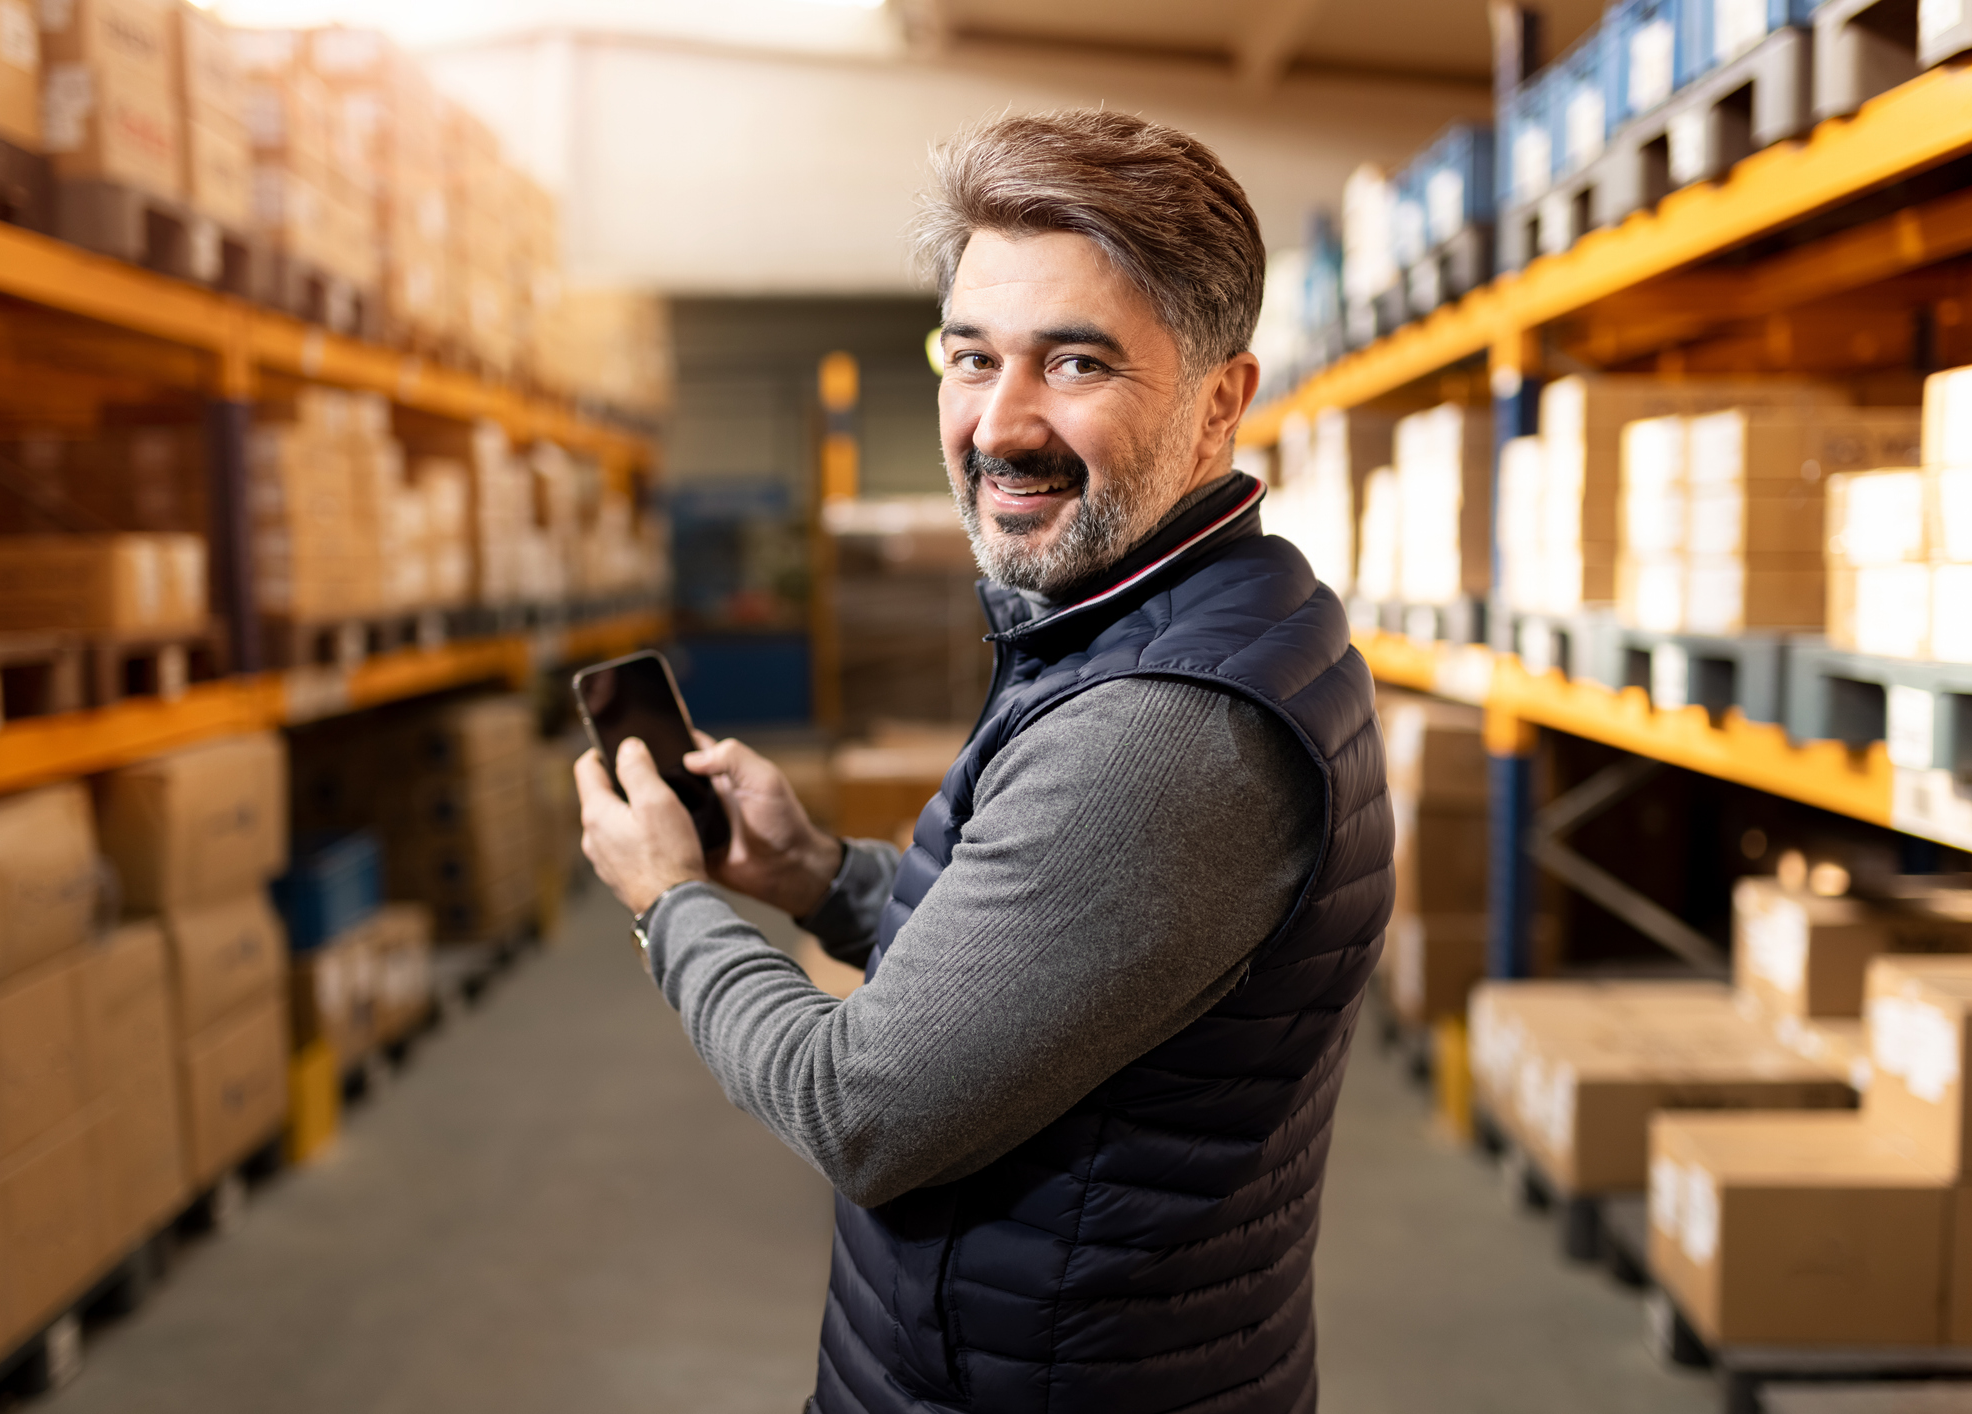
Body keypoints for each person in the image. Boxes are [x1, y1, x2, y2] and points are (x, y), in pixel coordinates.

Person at [574, 108, 1393, 1414]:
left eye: (1075, 363)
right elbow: (1062, 952)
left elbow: (863, 1108)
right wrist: (818, 874)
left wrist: (670, 902)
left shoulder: (1165, 726)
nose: (998, 423)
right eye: (970, 357)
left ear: (1219, 400)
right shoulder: (1194, 616)